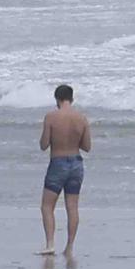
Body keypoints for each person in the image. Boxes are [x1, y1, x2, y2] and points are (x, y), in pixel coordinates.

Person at [40, 83, 92, 254]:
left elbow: (44, 144)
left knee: (47, 206)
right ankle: (69, 247)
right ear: (72, 99)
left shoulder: (51, 117)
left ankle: (50, 244)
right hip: (76, 164)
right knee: (72, 207)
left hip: (58, 162)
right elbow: (86, 147)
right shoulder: (82, 118)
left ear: (57, 99)